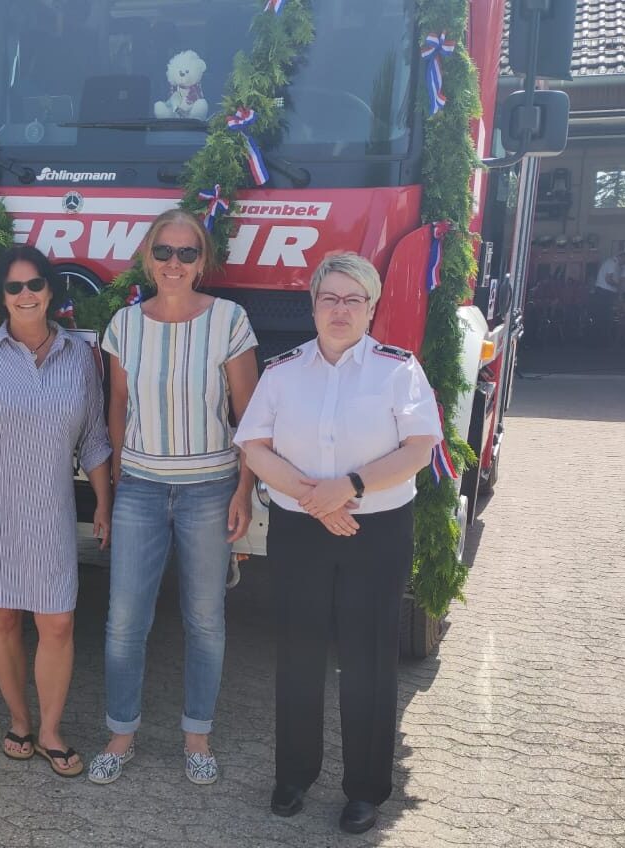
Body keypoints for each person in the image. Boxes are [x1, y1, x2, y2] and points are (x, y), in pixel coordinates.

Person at [233, 252, 442, 834]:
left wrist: (345, 488)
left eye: (354, 299)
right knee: (298, 652)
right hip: (303, 528)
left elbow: (418, 449)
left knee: (368, 659)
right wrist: (314, 499)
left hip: (375, 531)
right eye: (331, 298)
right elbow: (254, 446)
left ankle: (366, 790)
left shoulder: (398, 371)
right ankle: (294, 776)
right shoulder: (283, 371)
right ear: (314, 305)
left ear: (372, 307)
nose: (341, 309)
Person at [88, 209, 259, 786]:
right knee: (123, 621)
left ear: (202, 261)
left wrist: (245, 489)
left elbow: (250, 417)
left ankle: (197, 736)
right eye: (164, 252)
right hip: (138, 487)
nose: (174, 264)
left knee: (205, 619)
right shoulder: (124, 325)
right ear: (147, 257)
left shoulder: (230, 321)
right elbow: (116, 405)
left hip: (209, 491)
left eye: (187, 254)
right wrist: (110, 489)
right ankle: (121, 733)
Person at [0, 244, 111, 778]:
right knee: (2, 617)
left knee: (57, 621)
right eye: (14, 287)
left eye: (34, 284)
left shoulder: (80, 357)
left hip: (51, 510)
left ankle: (52, 730)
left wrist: (104, 501)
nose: (26, 295)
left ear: (51, 290)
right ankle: (20, 721)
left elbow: (97, 438)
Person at [591, 243, 624, 347]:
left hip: (605, 293)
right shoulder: (612, 263)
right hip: (604, 294)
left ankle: (601, 342)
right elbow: (608, 279)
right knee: (604, 318)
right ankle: (600, 342)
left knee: (604, 318)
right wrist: (618, 285)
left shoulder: (615, 264)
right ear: (622, 256)